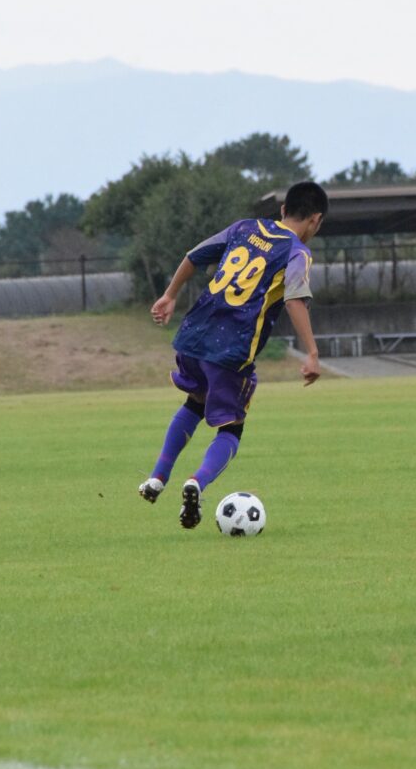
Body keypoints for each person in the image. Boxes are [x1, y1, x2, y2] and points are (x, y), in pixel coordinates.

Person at [138, 180, 328, 528]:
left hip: (194, 334)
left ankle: (157, 477)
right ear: (315, 220)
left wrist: (169, 295)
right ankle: (196, 482)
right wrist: (312, 353)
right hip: (230, 347)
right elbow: (294, 299)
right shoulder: (296, 252)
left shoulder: (244, 228)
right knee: (231, 429)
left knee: (195, 403)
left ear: (283, 210)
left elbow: (194, 256)